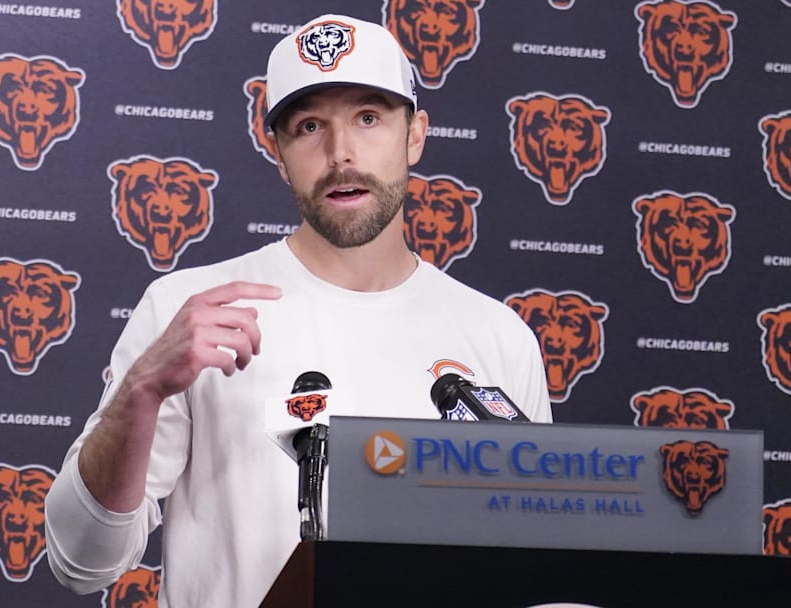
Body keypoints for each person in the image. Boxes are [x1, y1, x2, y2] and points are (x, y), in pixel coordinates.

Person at [44, 13, 553, 608]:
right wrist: (140, 393)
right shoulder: (191, 311)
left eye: (368, 118)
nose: (340, 154)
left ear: (415, 135)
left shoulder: (498, 337)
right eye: (310, 126)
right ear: (279, 153)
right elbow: (81, 562)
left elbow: (533, 569)